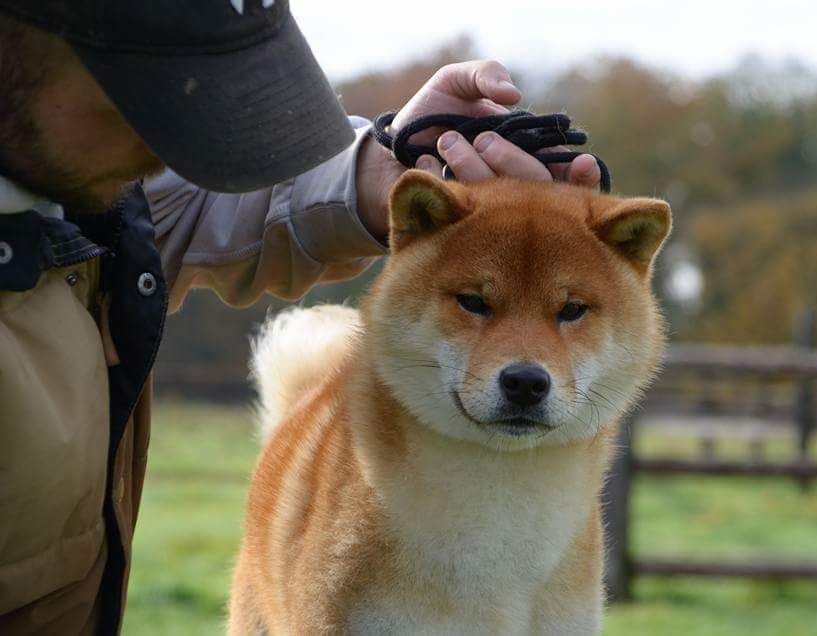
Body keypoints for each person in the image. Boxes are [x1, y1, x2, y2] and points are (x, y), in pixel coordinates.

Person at [0, 0, 601, 633]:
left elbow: (169, 205)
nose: (165, 147)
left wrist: (385, 171)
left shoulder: (63, 167)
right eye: (144, 91)